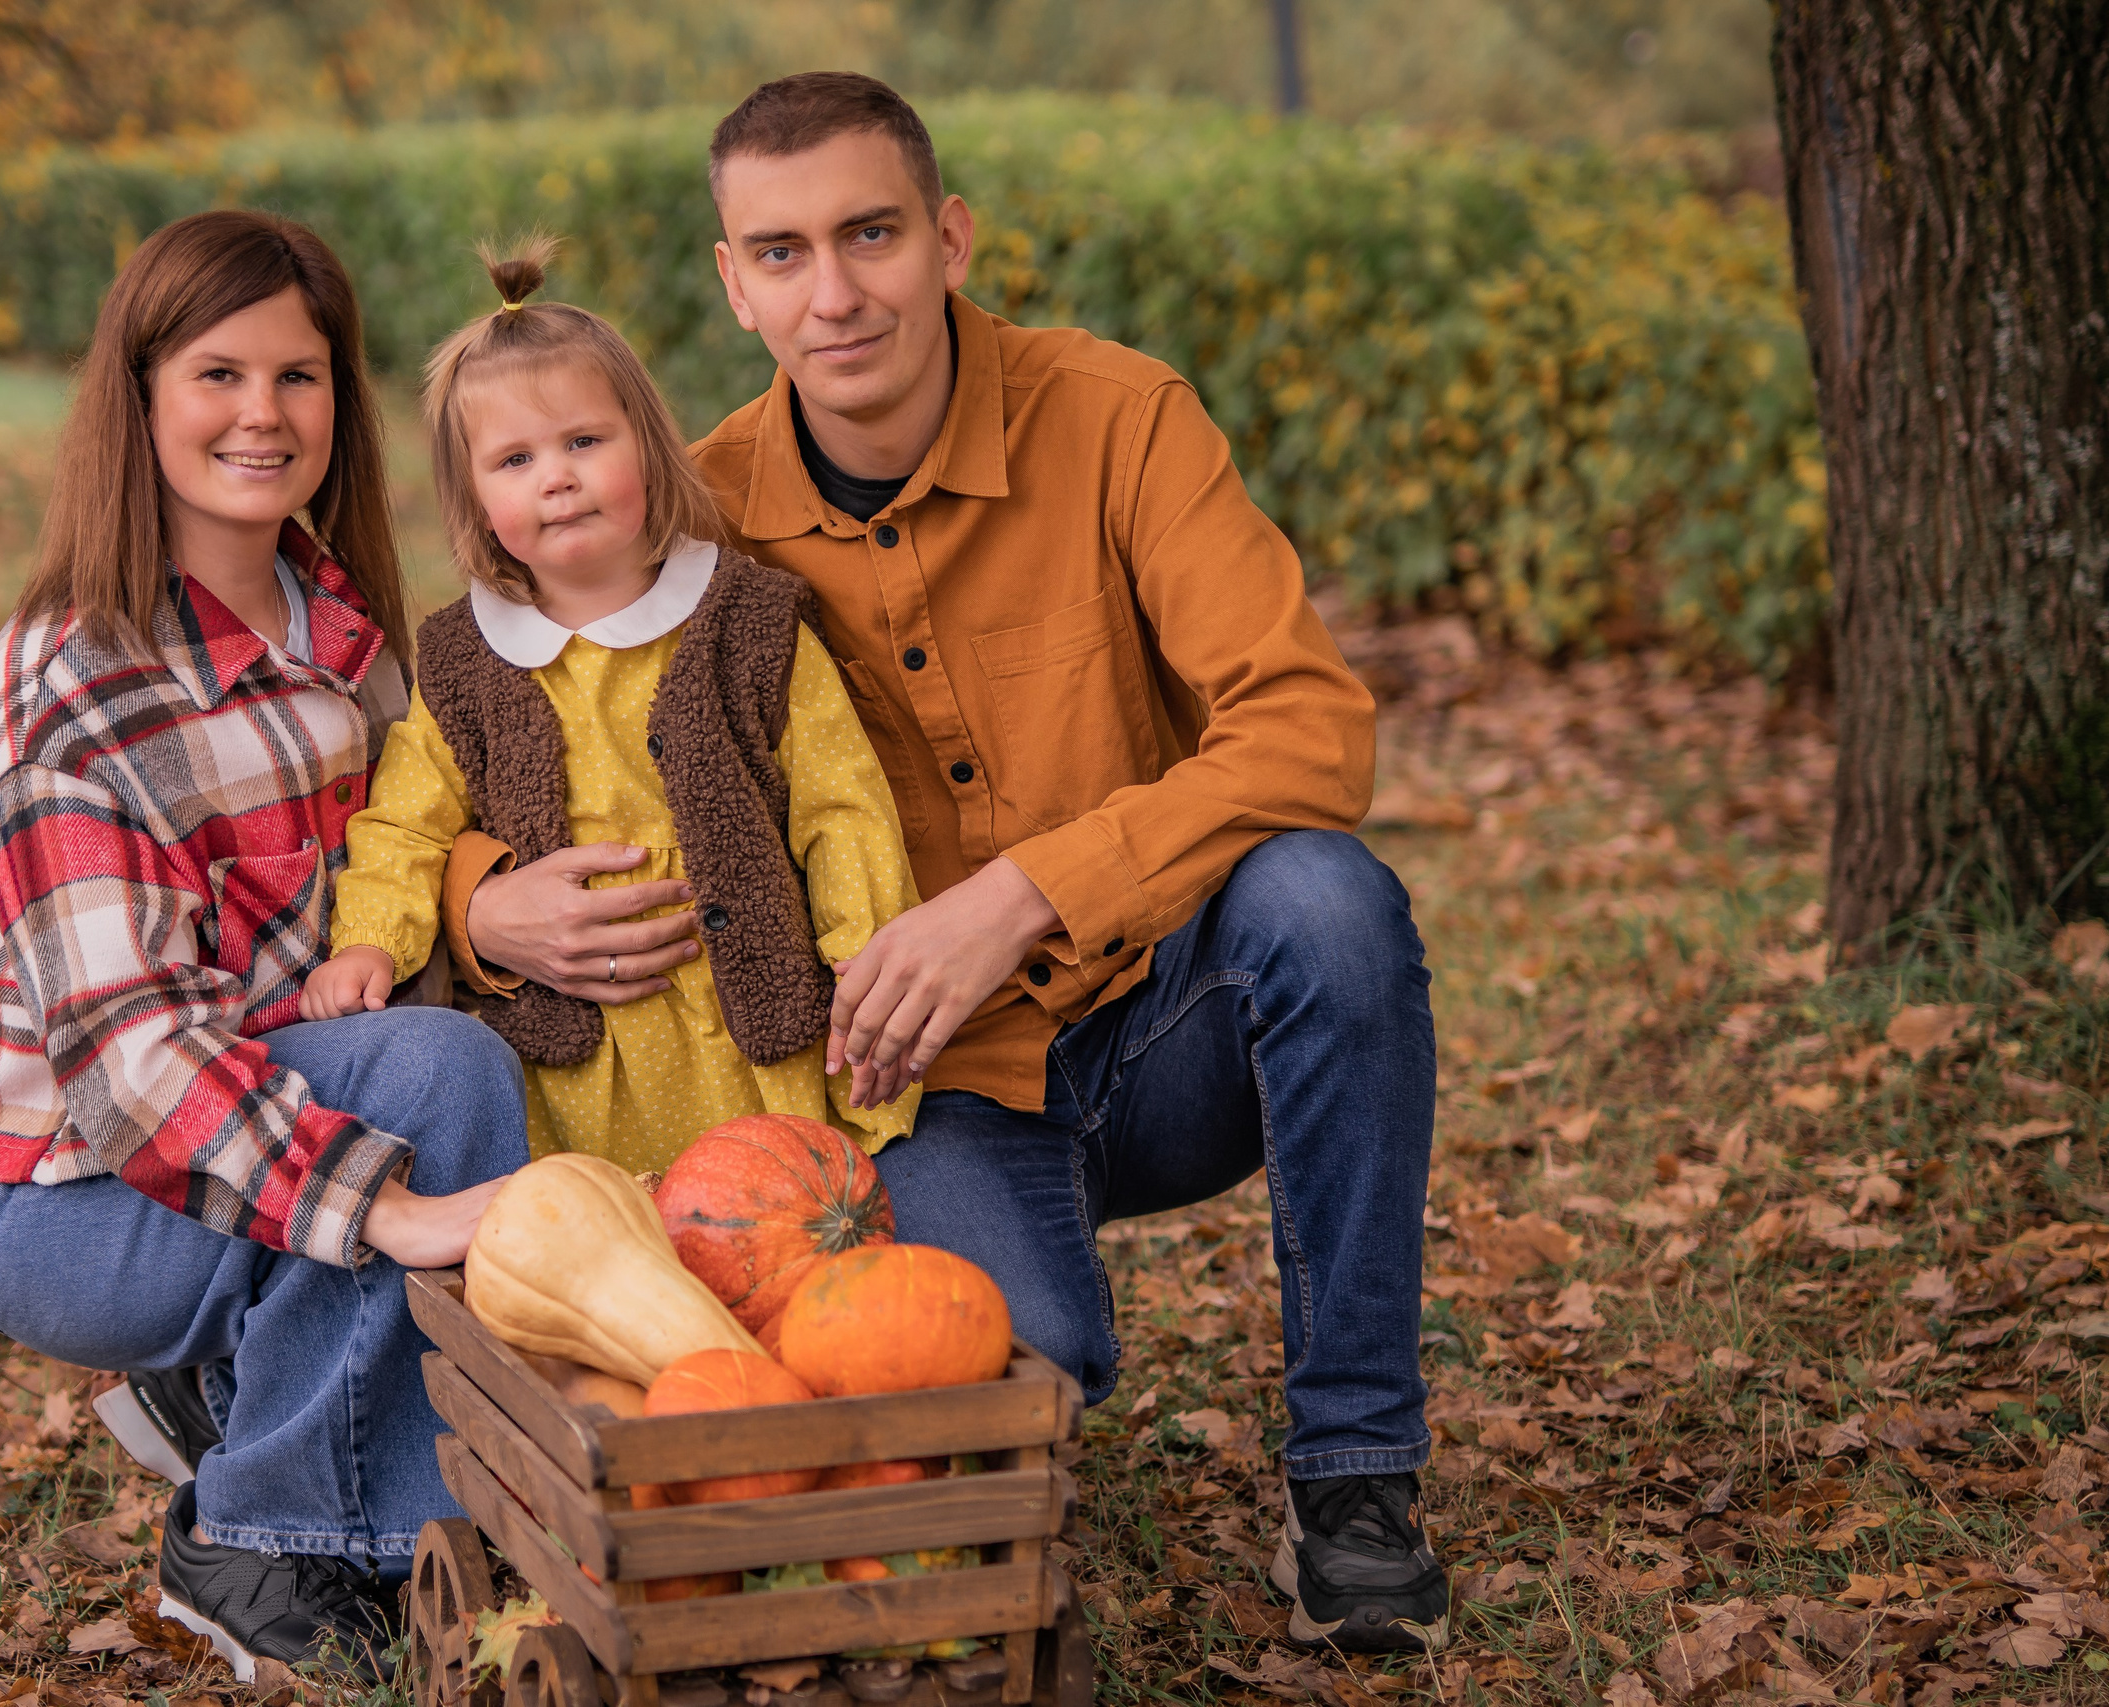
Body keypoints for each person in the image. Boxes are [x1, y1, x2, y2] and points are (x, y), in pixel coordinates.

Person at [442, 75, 1450, 1653]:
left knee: (1330, 899)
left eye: (871, 234)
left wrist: (1027, 888)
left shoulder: (1121, 420)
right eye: (780, 253)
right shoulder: (692, 524)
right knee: (1010, 1366)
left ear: (950, 236)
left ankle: (1356, 1477)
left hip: (1171, 1014)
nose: (833, 292)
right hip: (921, 1085)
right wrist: (475, 904)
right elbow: (525, 725)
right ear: (732, 280)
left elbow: (1311, 726)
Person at [0, 209, 530, 1684]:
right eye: (218, 373)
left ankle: (241, 1385)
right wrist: (386, 1204)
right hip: (64, 1201)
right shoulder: (75, 682)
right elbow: (135, 1065)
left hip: (239, 1120)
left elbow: (399, 859)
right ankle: (266, 1542)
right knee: (438, 1081)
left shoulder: (337, 622)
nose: (264, 413)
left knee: (474, 1051)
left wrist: (494, 902)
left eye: (301, 376)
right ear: (139, 398)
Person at [303, 239, 920, 1172]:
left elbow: (844, 809)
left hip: (741, 1012)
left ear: (646, 442)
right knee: (613, 1234)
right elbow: (404, 824)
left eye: (585, 441)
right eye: (515, 459)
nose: (557, 476)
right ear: (473, 494)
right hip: (577, 1045)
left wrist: (861, 963)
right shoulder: (469, 661)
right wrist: (370, 942)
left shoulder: (744, 620)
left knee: (766, 1212)